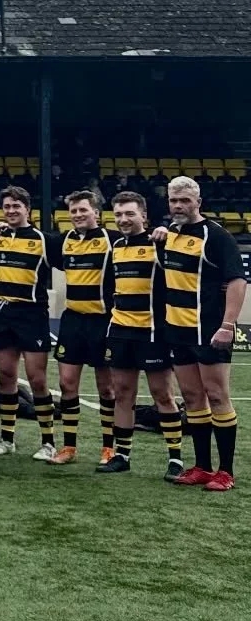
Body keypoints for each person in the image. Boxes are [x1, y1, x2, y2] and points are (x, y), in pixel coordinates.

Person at [159, 175, 246, 491]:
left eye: (185, 200)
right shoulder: (170, 233)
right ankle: (202, 467)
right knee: (193, 398)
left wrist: (228, 325)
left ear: (198, 202)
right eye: (174, 200)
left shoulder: (217, 236)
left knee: (218, 395)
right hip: (177, 331)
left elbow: (237, 281)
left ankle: (225, 472)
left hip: (209, 330)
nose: (179, 205)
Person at [98, 192, 184, 478]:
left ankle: (175, 458)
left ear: (144, 216)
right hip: (121, 330)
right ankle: (122, 455)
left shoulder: (158, 243)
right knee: (123, 393)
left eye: (130, 214)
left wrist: (167, 231)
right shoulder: (116, 246)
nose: (123, 219)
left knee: (162, 393)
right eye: (118, 214)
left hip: (152, 332)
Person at [0, 186, 56, 459]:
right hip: (1, 314)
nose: (12, 211)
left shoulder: (44, 240)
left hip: (32, 315)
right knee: (6, 377)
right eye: (7, 207)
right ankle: (7, 439)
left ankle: (48, 442)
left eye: (17, 206)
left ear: (28, 209)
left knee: (38, 380)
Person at [49, 189, 116, 465]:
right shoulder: (64, 241)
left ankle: (109, 447)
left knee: (106, 389)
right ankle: (69, 448)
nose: (77, 215)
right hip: (73, 321)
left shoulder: (113, 240)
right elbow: (35, 241)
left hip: (103, 321)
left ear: (96, 213)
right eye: (73, 211)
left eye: (83, 210)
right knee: (66, 385)